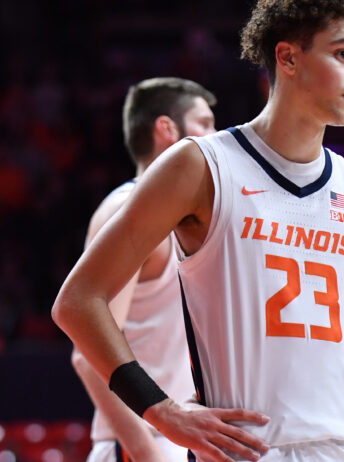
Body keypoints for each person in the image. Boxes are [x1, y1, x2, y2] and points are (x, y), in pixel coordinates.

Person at [52, 1, 344, 461]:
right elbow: (79, 301)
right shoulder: (201, 164)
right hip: (247, 450)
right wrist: (162, 412)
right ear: (288, 58)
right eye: (342, 55)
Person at [73, 77, 217, 462]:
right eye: (204, 124)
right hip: (145, 441)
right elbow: (87, 354)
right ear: (167, 130)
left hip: (185, 437)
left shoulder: (194, 220)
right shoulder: (125, 209)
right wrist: (146, 451)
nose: (215, 136)